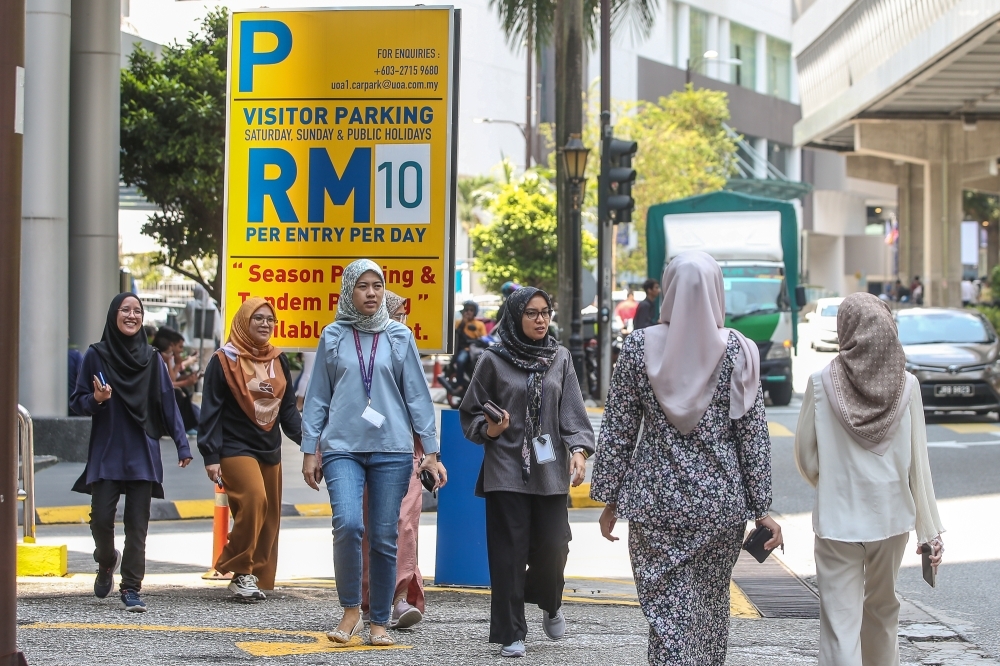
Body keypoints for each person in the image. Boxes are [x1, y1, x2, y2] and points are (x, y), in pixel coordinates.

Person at [590, 251, 781, 665]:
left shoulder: (638, 347)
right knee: (710, 606)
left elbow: (619, 430)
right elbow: (752, 437)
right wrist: (762, 508)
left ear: (669, 290)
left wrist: (610, 499)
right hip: (721, 506)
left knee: (666, 613)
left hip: (654, 503)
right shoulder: (739, 351)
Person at [301, 259, 446, 647]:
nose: (371, 293)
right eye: (362, 286)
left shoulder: (399, 336)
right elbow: (317, 396)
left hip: (392, 448)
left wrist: (430, 451)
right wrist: (310, 449)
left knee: (384, 535)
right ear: (349, 291)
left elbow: (417, 396)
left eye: (377, 286)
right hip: (342, 447)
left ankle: (379, 621)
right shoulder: (333, 335)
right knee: (348, 524)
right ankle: (351, 611)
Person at [794, 292, 944, 666]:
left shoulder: (820, 383)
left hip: (837, 519)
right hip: (891, 518)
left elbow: (806, 457)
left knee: (839, 622)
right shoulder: (907, 386)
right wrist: (929, 530)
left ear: (846, 330)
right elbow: (919, 464)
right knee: (883, 609)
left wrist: (832, 483)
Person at [459, 286, 595, 659]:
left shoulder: (560, 357)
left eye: (545, 312)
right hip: (505, 468)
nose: (540, 319)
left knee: (554, 546)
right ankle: (511, 632)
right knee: (508, 553)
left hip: (549, 469)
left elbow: (572, 411)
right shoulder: (493, 359)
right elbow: (471, 412)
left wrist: (579, 451)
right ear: (516, 316)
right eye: (531, 313)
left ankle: (550, 601)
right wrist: (491, 430)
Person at [69, 293, 193, 612]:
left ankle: (131, 587)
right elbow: (77, 402)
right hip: (108, 448)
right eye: (125, 310)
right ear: (114, 315)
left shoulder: (152, 358)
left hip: (142, 449)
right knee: (101, 520)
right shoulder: (96, 355)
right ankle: (106, 560)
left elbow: (168, 402)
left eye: (138, 311)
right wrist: (96, 399)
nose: (132, 315)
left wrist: (182, 443)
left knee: (137, 525)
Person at [198, 297, 302, 599]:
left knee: (269, 516)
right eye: (258, 318)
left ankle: (253, 575)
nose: (265, 324)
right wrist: (210, 455)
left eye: (270, 319)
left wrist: (311, 444)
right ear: (244, 321)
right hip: (234, 446)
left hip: (269, 445)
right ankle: (239, 567)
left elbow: (287, 410)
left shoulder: (278, 359)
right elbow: (210, 410)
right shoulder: (223, 360)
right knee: (255, 500)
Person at [360, 290, 446, 628]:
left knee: (404, 525)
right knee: (368, 529)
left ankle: (398, 598)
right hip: (361, 453)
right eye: (394, 316)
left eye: (403, 316)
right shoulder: (353, 349)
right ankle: (369, 601)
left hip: (406, 453)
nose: (401, 323)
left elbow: (420, 404)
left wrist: (432, 455)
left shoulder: (405, 347)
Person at [152, 327, 201, 433]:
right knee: (178, 393)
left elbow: (173, 378)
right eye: (179, 346)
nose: (181, 350)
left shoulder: (168, 359)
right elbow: (169, 383)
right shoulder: (157, 360)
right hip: (159, 400)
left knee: (196, 410)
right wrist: (186, 381)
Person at [453, 300, 487, 382]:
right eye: (467, 310)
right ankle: (460, 383)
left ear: (475, 312)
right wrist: (463, 323)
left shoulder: (480, 324)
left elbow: (484, 338)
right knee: (460, 360)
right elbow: (456, 335)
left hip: (476, 349)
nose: (469, 312)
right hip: (464, 349)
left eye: (471, 310)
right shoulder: (458, 322)